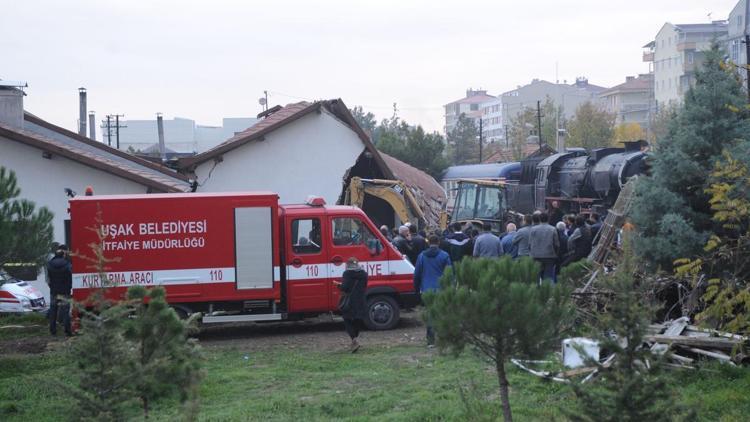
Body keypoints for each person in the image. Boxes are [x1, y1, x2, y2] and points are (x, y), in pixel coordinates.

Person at [414, 235, 452, 347]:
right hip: (441, 288)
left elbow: (417, 274)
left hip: (427, 290)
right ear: (439, 242)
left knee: (430, 314)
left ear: (428, 243)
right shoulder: (445, 256)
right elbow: (449, 274)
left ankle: (431, 341)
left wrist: (416, 288)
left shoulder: (421, 256)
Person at [337, 257, 368, 353]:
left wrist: (339, 285)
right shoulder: (364, 274)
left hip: (349, 301)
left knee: (347, 320)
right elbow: (364, 286)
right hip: (360, 300)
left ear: (348, 264)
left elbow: (345, 287)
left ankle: (354, 339)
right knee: (358, 319)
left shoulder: (347, 273)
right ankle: (355, 339)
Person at [47, 244, 72, 336]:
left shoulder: (50, 264)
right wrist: (69, 288)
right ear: (63, 255)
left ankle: (53, 331)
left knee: (53, 311)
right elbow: (70, 278)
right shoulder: (67, 265)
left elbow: (49, 278)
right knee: (65, 311)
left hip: (54, 291)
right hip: (64, 292)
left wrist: (52, 287)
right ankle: (67, 331)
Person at [529, 212, 559, 283]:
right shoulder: (553, 229)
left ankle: (536, 291)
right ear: (548, 219)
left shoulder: (533, 229)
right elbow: (556, 244)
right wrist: (555, 254)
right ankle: (547, 291)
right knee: (548, 276)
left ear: (539, 219)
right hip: (549, 255)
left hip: (536, 255)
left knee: (536, 276)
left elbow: (530, 243)